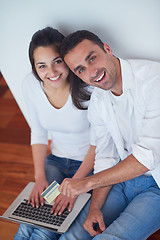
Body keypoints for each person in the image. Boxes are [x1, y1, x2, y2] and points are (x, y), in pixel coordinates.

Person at [58, 30, 160, 240]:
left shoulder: (154, 79)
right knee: (72, 235)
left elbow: (149, 157)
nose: (92, 72)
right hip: (121, 180)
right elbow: (106, 156)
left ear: (107, 49)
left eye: (92, 58)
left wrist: (87, 183)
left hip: (157, 186)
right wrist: (95, 207)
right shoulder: (98, 101)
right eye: (81, 70)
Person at [14, 27, 96, 240]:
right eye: (42, 65)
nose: (51, 72)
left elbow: (100, 143)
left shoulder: (88, 88)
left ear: (66, 59)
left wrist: (76, 184)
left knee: (45, 228)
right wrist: (39, 177)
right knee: (28, 222)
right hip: (56, 163)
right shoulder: (30, 85)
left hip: (87, 168)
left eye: (57, 61)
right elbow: (39, 133)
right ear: (34, 67)